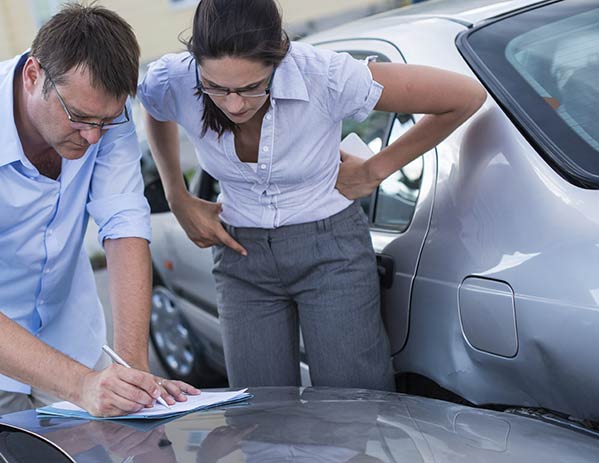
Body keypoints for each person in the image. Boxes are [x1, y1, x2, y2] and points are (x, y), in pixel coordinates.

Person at [138, 0, 486, 389]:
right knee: (262, 415)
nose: (234, 104)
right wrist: (176, 194)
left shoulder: (325, 75)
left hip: (331, 254)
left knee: (354, 408)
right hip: (241, 260)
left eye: (251, 87)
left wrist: (375, 169)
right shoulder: (174, 78)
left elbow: (464, 96)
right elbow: (155, 107)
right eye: (217, 88)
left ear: (278, 59)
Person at [0, 4, 198, 419]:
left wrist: (132, 371)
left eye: (105, 121)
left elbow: (125, 226)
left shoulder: (104, 115)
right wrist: (83, 385)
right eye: (78, 118)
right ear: (32, 75)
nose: (93, 137)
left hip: (67, 324)